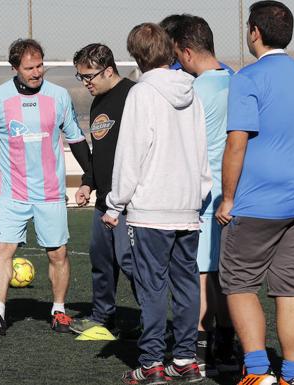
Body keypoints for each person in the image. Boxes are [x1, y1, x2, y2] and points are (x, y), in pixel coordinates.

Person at [215, 2, 294, 385]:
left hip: (261, 201)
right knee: (291, 288)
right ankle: (291, 376)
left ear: (254, 32)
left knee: (240, 284)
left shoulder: (248, 78)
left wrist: (228, 199)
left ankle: (258, 371)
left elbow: (236, 144)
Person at [103, 23, 211, 384]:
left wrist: (114, 204)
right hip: (187, 207)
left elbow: (130, 154)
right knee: (186, 284)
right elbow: (202, 148)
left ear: (136, 55)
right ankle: (184, 359)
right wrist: (199, 193)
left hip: (152, 209)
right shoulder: (192, 90)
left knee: (152, 287)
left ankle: (150, 363)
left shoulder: (141, 94)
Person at [0, 39, 91, 336]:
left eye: (40, 65)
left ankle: (58, 311)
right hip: (10, 191)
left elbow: (76, 139)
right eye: (29, 68)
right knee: (3, 250)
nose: (37, 73)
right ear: (15, 69)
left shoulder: (59, 96)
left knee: (58, 254)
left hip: (49, 192)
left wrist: (90, 178)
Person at [165, 14, 239, 377]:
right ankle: (226, 340)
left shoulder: (196, 91)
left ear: (187, 51)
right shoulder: (238, 82)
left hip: (206, 196)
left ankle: (207, 342)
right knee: (230, 274)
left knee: (203, 273)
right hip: (240, 194)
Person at [69, 43, 138, 335]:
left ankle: (151, 321)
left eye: (89, 76)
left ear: (108, 70)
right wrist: (88, 181)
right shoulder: (98, 101)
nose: (86, 83)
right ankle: (102, 316)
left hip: (129, 202)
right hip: (103, 200)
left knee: (132, 264)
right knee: (101, 261)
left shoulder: (134, 96)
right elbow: (101, 151)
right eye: (80, 77)